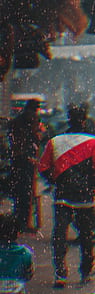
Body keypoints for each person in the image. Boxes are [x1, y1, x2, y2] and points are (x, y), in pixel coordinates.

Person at [37, 104, 95, 288]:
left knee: (60, 234)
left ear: (68, 119)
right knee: (86, 235)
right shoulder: (93, 142)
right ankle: (85, 271)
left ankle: (60, 273)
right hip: (84, 198)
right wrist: (89, 185)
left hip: (62, 196)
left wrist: (56, 181)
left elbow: (43, 168)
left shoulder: (55, 141)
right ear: (84, 120)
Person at [8, 99, 44, 234]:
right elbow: (32, 139)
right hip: (26, 161)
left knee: (21, 193)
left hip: (19, 160)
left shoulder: (19, 120)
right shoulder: (31, 119)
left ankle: (20, 222)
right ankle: (23, 223)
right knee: (26, 193)